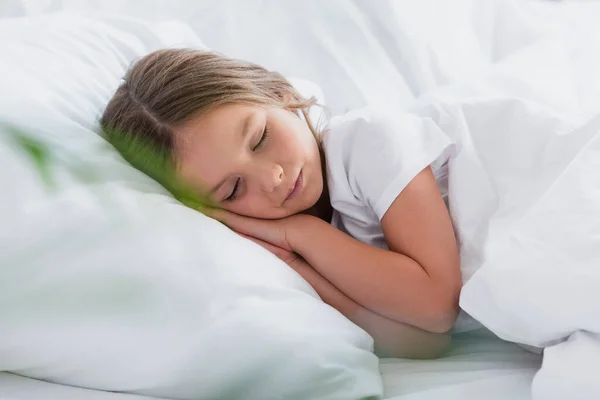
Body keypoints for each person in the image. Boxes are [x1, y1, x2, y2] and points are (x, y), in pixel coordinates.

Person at [100, 48, 461, 359]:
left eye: (260, 139)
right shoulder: (280, 248)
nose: (272, 177)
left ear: (280, 93)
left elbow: (436, 306)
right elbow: (425, 345)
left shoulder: (366, 140)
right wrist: (294, 262)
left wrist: (304, 233)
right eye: (233, 190)